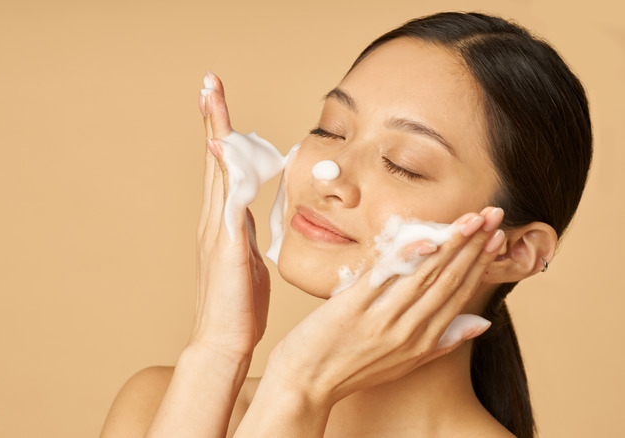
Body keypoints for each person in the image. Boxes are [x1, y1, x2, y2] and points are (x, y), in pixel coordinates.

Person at [101, 11, 592, 438]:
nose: (326, 172)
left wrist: (300, 389)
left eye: (404, 163)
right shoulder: (159, 403)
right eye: (330, 129)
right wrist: (216, 351)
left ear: (513, 251)